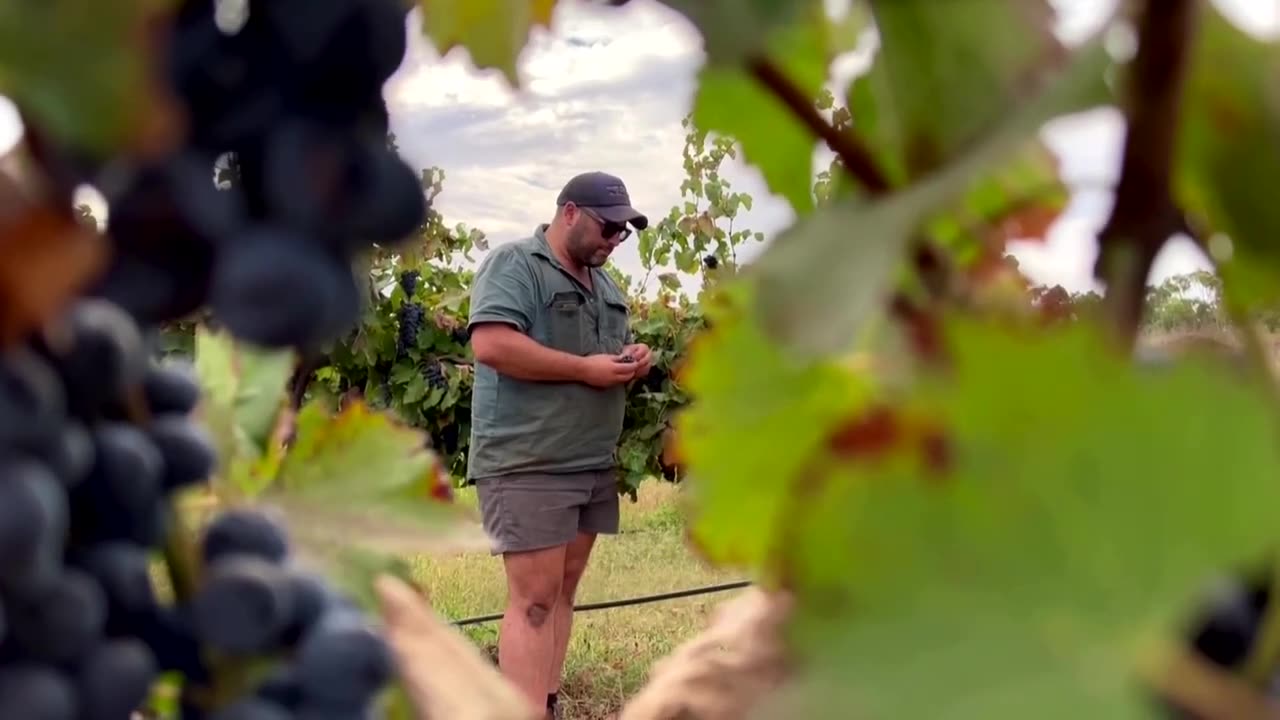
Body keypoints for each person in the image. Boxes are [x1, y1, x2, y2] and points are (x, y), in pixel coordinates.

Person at [465, 171, 652, 718]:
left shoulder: (606, 286)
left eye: (624, 231)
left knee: (563, 593)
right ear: (569, 212)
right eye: (607, 226)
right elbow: (492, 344)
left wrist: (634, 359)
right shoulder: (516, 265)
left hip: (589, 461)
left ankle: (544, 703)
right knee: (535, 602)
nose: (614, 239)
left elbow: (599, 360)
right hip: (529, 461)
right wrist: (584, 370)